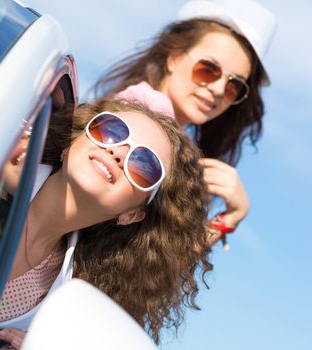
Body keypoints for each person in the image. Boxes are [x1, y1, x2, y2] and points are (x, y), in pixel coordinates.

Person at [0, 100, 212, 347]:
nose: (118, 151)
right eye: (111, 131)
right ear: (70, 144)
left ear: (131, 214)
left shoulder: (71, 301)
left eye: (144, 166)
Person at [94, 0, 277, 248]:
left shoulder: (159, 128)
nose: (218, 89)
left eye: (234, 85)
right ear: (174, 58)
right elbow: (153, 257)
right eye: (208, 69)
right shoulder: (146, 117)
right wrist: (230, 218)